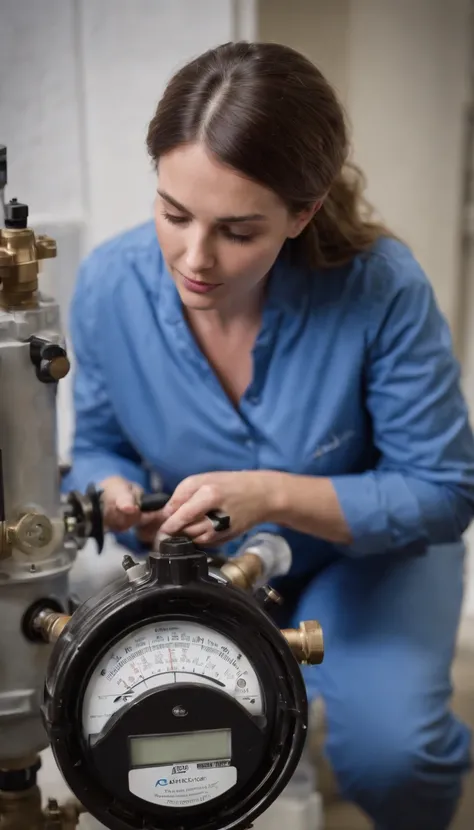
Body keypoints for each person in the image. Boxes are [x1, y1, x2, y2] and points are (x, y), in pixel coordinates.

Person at [64, 41, 474, 830]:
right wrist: (110, 488)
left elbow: (445, 491)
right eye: (173, 213)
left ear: (304, 212)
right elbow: (100, 444)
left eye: (238, 231)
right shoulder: (111, 286)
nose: (194, 258)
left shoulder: (381, 287)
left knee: (394, 754)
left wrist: (269, 496)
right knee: (185, 752)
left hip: (376, 559)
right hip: (221, 570)